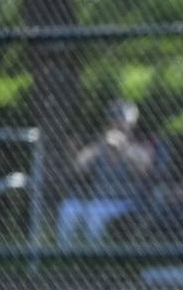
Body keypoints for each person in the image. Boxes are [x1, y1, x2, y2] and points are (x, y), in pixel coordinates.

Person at [57, 99, 155, 247]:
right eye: (113, 119)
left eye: (121, 120)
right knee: (68, 208)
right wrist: (100, 146)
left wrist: (123, 148)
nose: (116, 123)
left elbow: (143, 170)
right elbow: (79, 167)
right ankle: (63, 253)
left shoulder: (140, 143)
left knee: (95, 214)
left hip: (126, 201)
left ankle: (94, 257)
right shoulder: (101, 144)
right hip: (98, 199)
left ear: (131, 124)